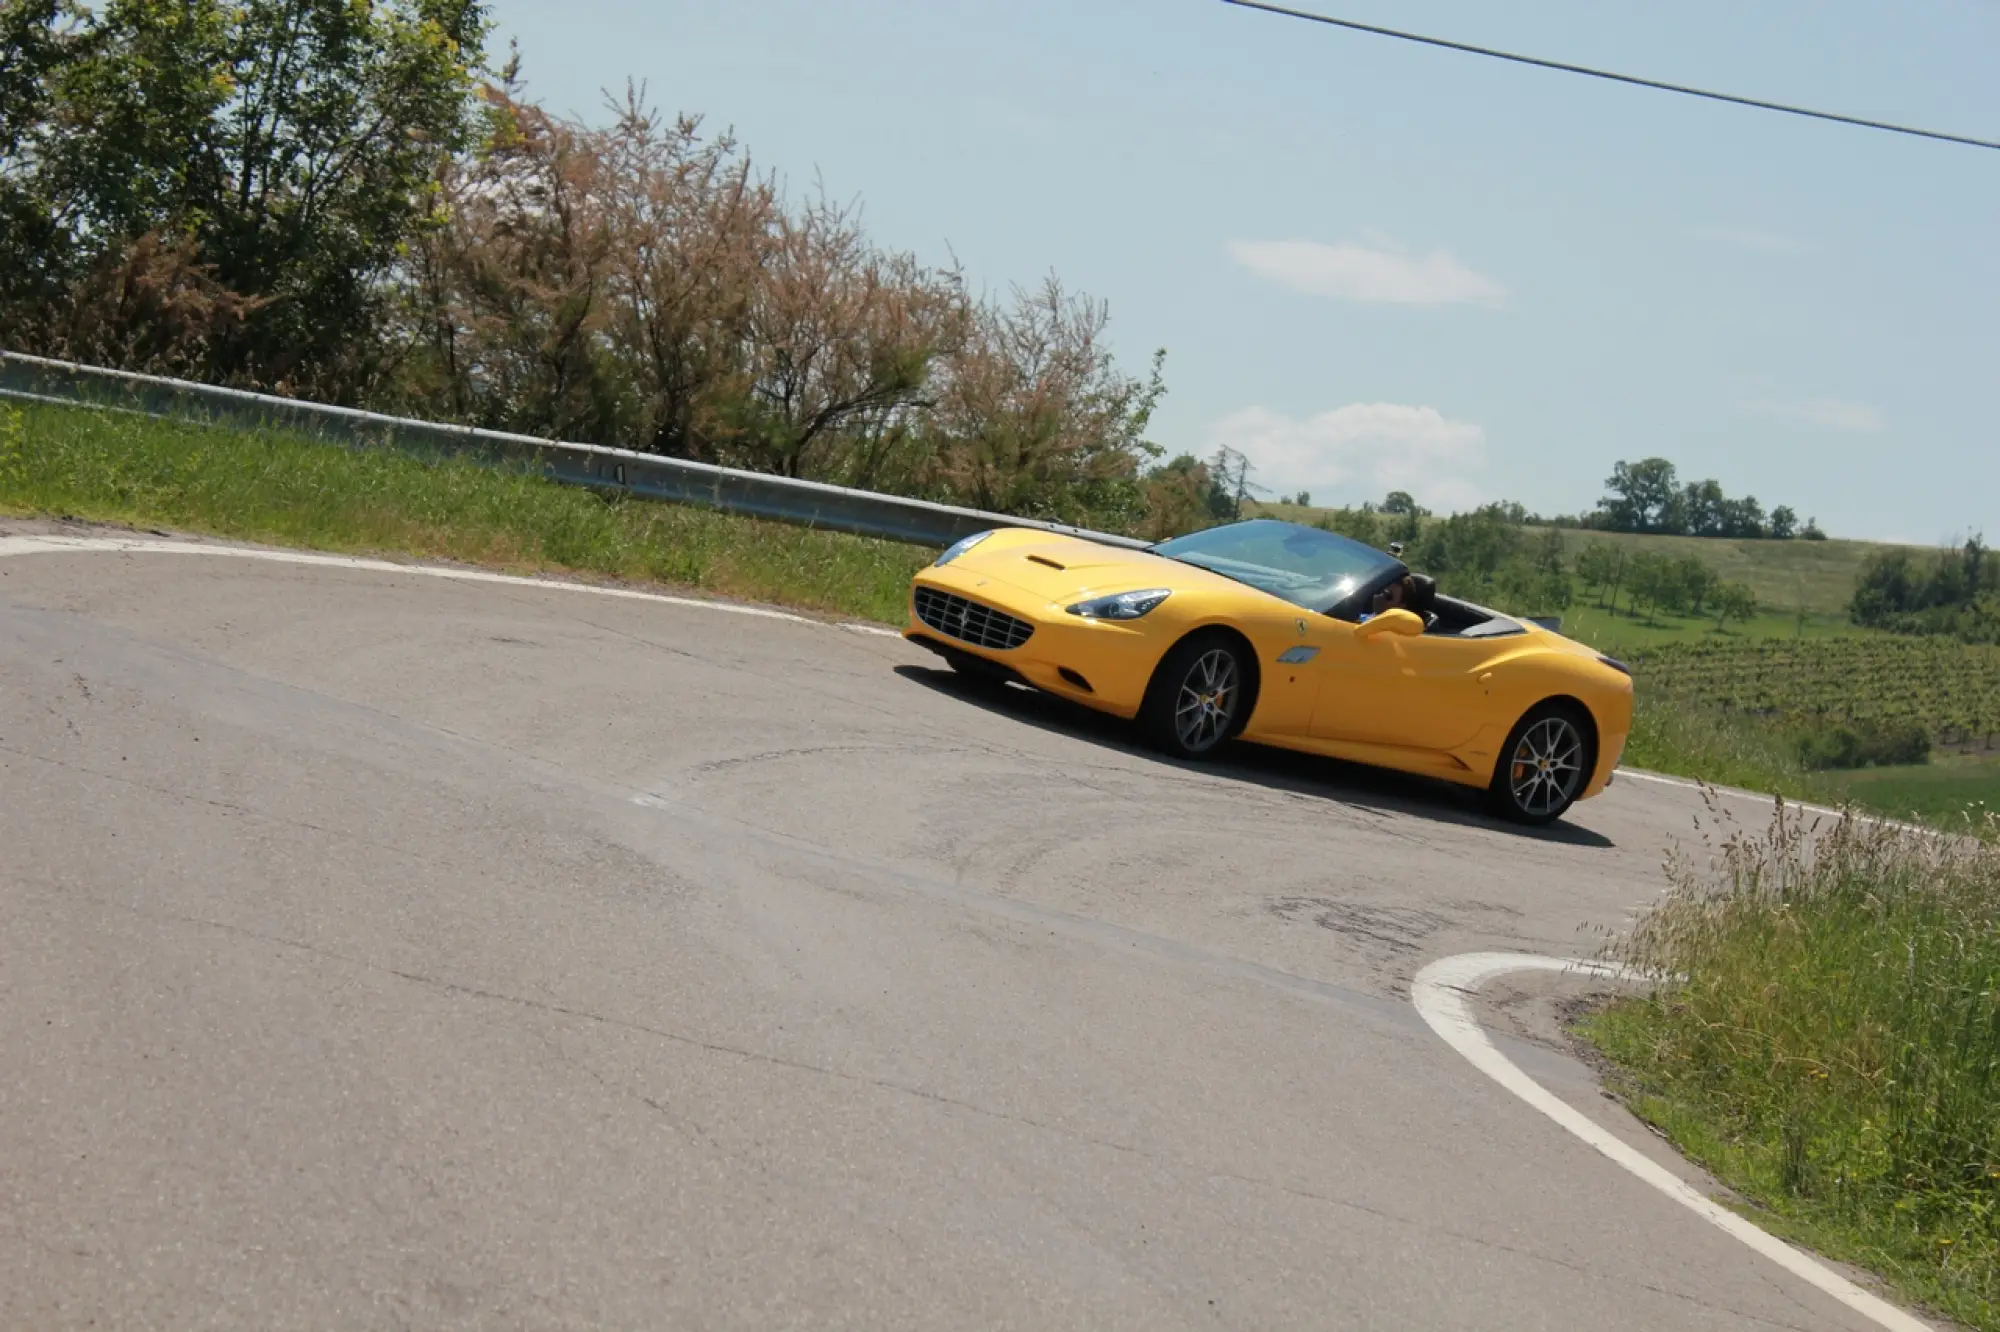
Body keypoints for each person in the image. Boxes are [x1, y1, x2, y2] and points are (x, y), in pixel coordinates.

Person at [1363, 572, 1437, 624]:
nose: (1380, 596)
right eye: (1380, 589)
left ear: (1400, 607)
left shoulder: (1389, 631)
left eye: (1388, 595)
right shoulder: (1362, 612)